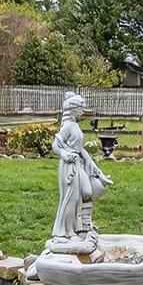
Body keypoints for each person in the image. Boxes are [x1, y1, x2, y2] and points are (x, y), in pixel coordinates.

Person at [49, 92, 111, 252]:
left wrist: (94, 167)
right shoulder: (68, 126)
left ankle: (81, 227)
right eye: (80, 108)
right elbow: (56, 145)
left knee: (87, 192)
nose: (83, 111)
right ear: (73, 109)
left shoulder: (74, 125)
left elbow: (80, 148)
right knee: (71, 199)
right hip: (69, 167)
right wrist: (65, 154)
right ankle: (63, 234)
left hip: (78, 164)